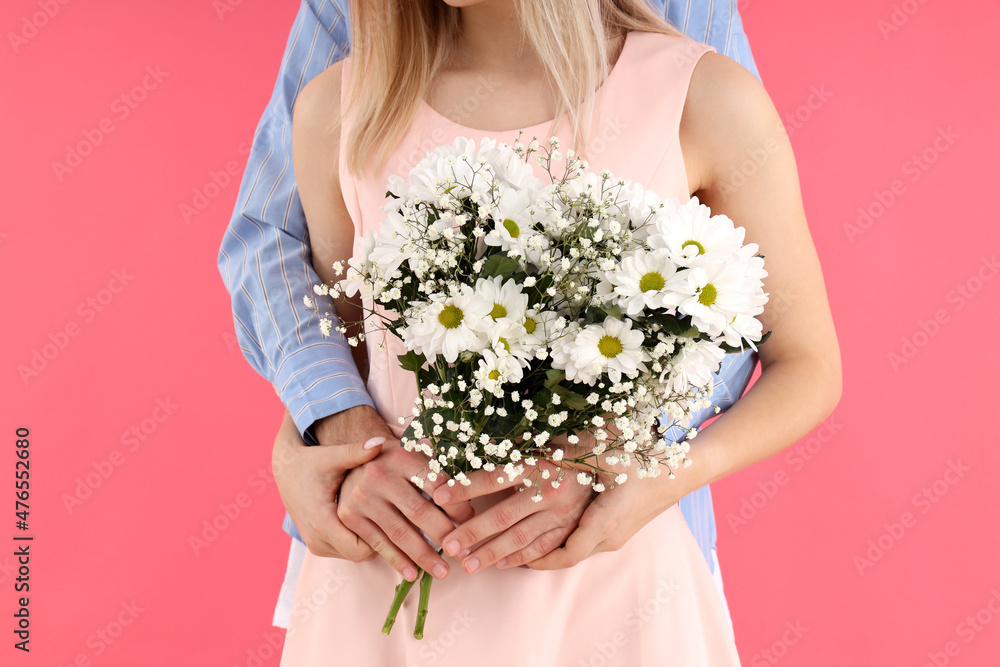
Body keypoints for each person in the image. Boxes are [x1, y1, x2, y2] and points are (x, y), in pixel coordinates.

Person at [253, 0, 842, 663]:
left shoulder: (704, 96)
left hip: (608, 581)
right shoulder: (338, 108)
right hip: (385, 581)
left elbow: (807, 361)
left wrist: (658, 474)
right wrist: (296, 448)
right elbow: (350, 342)